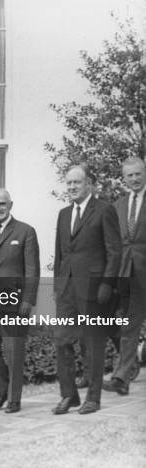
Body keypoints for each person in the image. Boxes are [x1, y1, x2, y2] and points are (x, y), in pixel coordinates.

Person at [52, 165, 121, 415]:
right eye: (68, 183)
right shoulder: (62, 214)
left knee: (93, 344)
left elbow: (115, 251)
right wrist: (58, 286)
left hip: (94, 289)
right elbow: (61, 253)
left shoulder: (104, 210)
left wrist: (107, 284)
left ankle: (93, 398)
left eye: (76, 183)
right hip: (67, 290)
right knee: (61, 341)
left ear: (88, 184)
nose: (71, 187)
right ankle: (69, 396)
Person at [0, 188, 40, 414]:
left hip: (15, 303)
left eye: (2, 204)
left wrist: (28, 300)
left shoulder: (25, 232)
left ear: (10, 205)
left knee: (14, 352)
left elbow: (32, 270)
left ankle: (14, 399)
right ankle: (3, 392)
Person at [103, 157, 146, 395]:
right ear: (124, 178)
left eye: (138, 174)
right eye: (130, 175)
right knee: (128, 326)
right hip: (128, 276)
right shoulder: (118, 206)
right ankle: (122, 377)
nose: (135, 179)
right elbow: (114, 243)